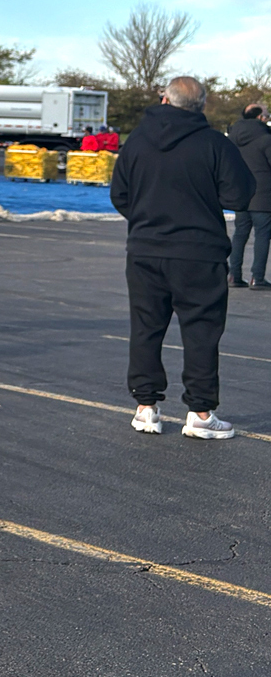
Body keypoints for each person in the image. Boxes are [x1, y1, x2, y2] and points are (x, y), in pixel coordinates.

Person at [112, 76, 254, 439]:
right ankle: (201, 413)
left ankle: (146, 407)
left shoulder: (137, 142)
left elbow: (120, 195)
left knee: (146, 328)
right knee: (202, 332)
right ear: (201, 106)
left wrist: (147, 219)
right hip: (199, 252)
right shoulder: (214, 144)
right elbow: (240, 194)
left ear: (164, 99)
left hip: (146, 249)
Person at [225, 104, 271, 289]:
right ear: (259, 117)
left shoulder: (233, 138)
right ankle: (257, 277)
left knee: (240, 234)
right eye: (267, 115)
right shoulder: (266, 139)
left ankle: (234, 275)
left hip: (241, 194)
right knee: (262, 235)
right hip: (263, 195)